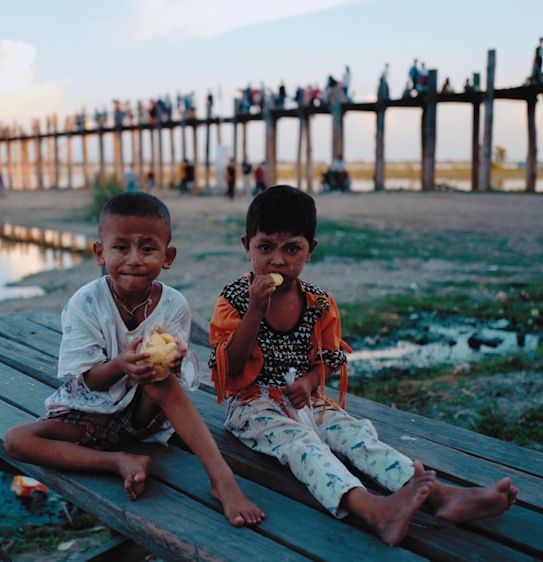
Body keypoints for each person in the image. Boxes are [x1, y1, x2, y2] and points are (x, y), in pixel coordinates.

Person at [207, 185, 518, 545]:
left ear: (311, 250)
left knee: (356, 434)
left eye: (291, 248)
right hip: (251, 406)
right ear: (247, 246)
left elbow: (328, 360)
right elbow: (227, 368)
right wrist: (255, 312)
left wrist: (310, 383)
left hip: (305, 400)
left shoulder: (319, 303)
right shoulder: (234, 300)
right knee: (303, 445)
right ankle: (372, 509)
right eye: (266, 248)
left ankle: (442, 496)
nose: (277, 260)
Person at [4, 192, 265, 527]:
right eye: (121, 247)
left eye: (147, 248)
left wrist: (174, 361)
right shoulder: (86, 303)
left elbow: (179, 372)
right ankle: (117, 462)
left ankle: (223, 480)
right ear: (100, 253)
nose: (134, 259)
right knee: (17, 440)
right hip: (89, 413)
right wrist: (121, 365)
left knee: (161, 379)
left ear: (167, 256)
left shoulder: (173, 305)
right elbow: (89, 380)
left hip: (143, 416)